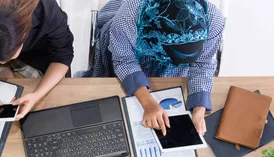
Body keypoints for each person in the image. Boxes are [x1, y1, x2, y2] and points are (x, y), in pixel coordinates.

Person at [83, 0, 225, 135]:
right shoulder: (128, 18)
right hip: (130, 51)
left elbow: (203, 64)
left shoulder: (213, 19)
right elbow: (124, 60)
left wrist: (199, 110)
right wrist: (147, 102)